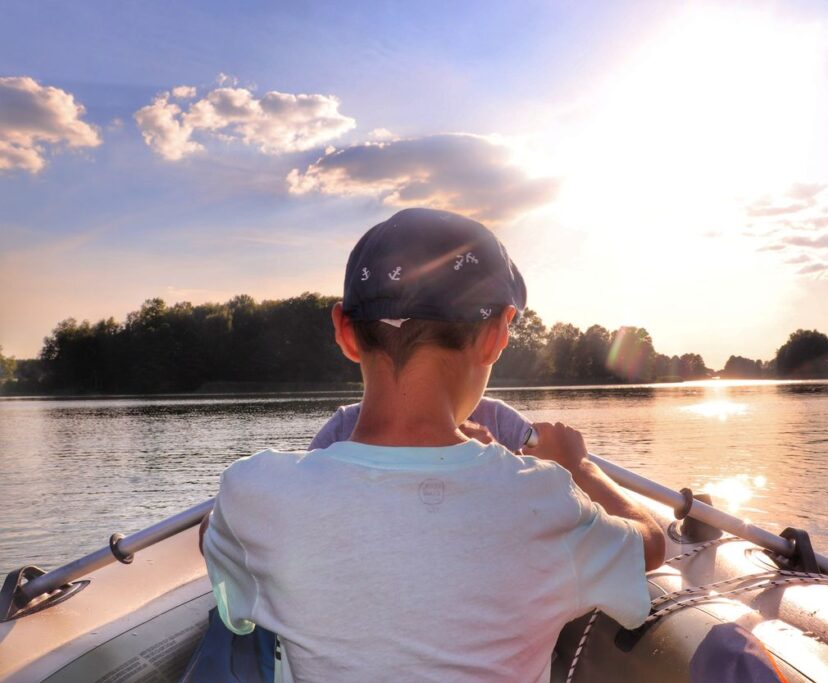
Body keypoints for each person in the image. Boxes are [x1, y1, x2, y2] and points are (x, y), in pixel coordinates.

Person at [200, 208, 665, 682]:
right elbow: (649, 544)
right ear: (497, 335)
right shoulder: (546, 498)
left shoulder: (254, 496)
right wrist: (579, 466)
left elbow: (214, 538)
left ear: (344, 331)